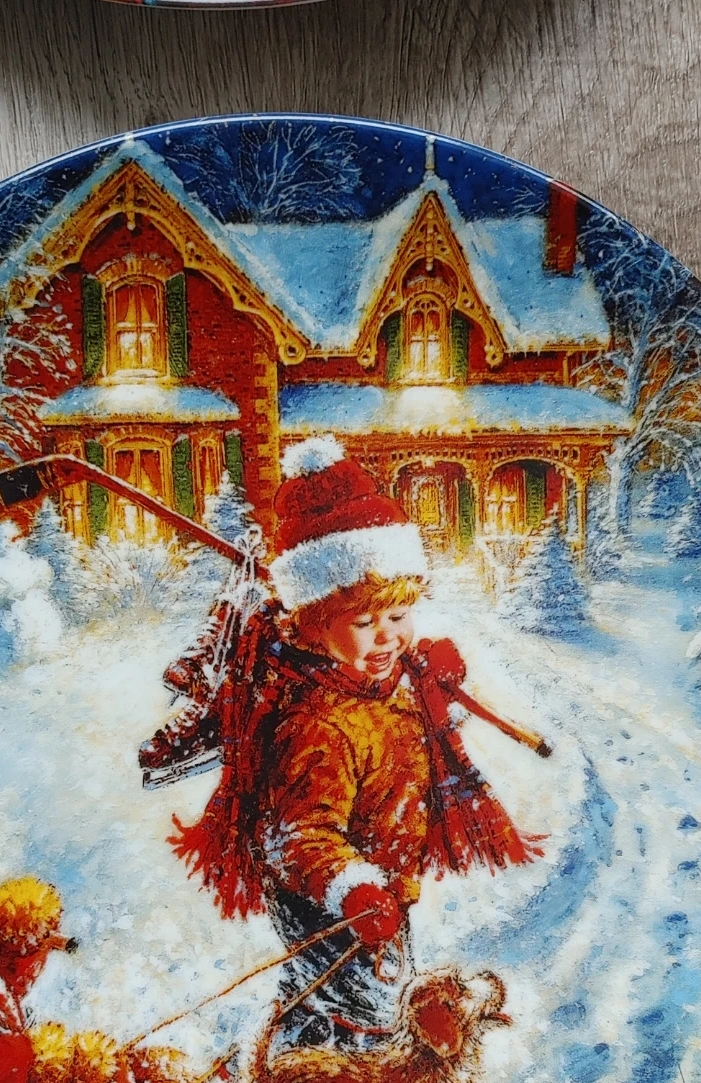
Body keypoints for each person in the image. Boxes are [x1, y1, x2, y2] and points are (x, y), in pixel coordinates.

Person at [162, 435, 540, 1050]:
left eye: (399, 616)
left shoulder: (384, 682)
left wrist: (435, 679)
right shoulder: (318, 723)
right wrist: (351, 889)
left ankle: (296, 1059)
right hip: (328, 894)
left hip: (379, 884)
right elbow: (298, 834)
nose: (388, 636)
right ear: (315, 627)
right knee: (373, 1020)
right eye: (364, 623)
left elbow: (405, 735)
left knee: (335, 999)